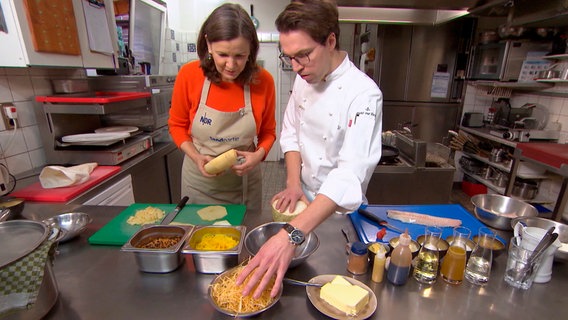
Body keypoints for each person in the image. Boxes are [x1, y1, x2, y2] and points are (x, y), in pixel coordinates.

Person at [237, 0, 383, 298]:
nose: (296, 67)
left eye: (303, 55)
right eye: (289, 57)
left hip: (340, 216)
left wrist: (291, 233)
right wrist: (293, 185)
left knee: (332, 288)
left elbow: (349, 174)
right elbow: (291, 132)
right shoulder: (305, 77)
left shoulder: (364, 94)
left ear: (330, 40)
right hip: (302, 203)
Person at [168, 3, 276, 213]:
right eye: (223, 55)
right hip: (199, 184)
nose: (231, 65)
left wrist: (258, 155)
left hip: (244, 186)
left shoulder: (263, 81)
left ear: (251, 51)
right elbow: (177, 125)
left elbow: (268, 132)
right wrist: (196, 156)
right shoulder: (190, 75)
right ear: (208, 44)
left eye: (240, 56)